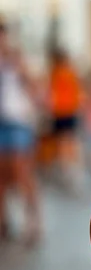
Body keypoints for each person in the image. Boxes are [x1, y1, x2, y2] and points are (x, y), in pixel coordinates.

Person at [0, 21, 41, 243]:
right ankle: (4, 222)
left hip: (18, 122)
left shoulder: (15, 59)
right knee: (2, 177)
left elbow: (34, 88)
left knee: (22, 173)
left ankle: (32, 222)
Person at [48, 48, 83, 192]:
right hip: (70, 111)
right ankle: (72, 170)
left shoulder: (56, 73)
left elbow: (52, 93)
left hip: (60, 112)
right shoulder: (71, 72)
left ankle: (66, 170)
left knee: (62, 142)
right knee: (70, 141)